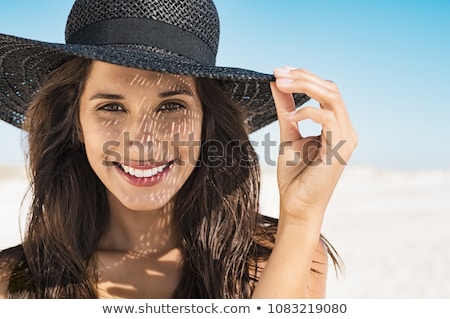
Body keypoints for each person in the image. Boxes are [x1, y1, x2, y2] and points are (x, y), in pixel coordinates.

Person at [0, 0, 357, 299]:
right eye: (111, 107)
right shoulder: (11, 281)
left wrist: (302, 215)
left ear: (207, 121)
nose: (142, 139)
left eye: (171, 106)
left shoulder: (277, 257)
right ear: (75, 123)